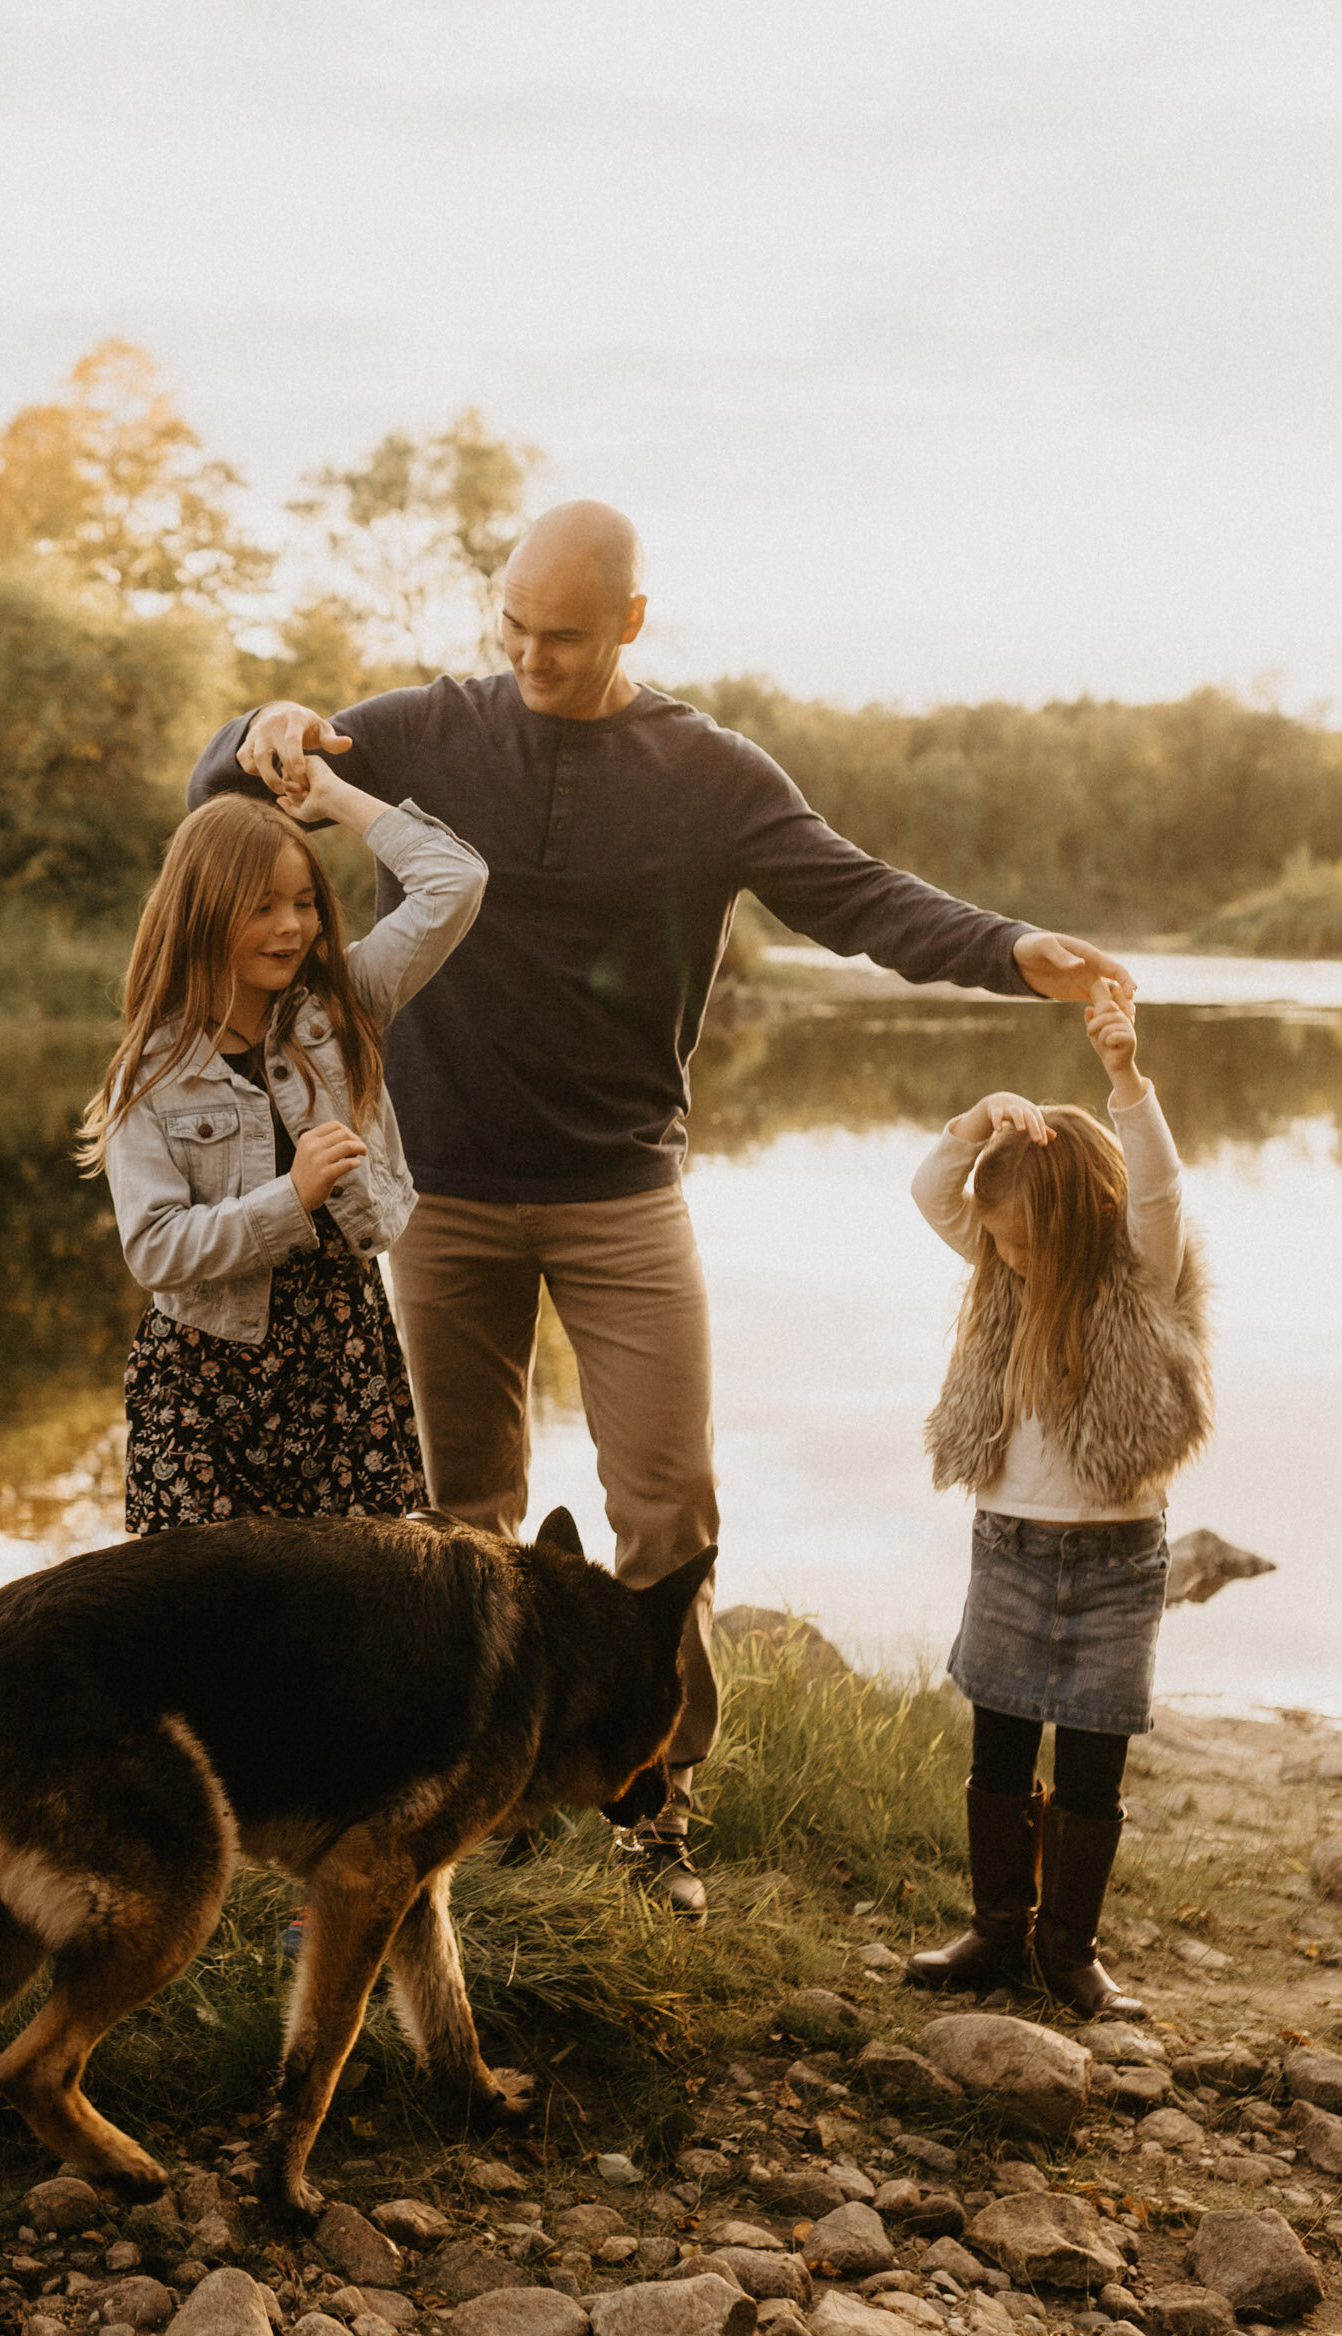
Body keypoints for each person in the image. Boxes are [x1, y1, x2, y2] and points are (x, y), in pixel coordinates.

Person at [190, 499, 1135, 1919]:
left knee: (669, 1505)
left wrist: (1013, 950)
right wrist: (256, 721)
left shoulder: (707, 772)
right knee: (459, 1516)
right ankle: (475, 1798)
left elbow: (858, 897)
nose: (528, 654)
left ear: (631, 622)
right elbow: (226, 798)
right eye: (509, 621)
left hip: (623, 1188)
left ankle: (654, 1796)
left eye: (561, 635)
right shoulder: (417, 731)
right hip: (433, 1186)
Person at [81, 751, 486, 1532]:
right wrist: (290, 1198)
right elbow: (155, 1250)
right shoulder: (151, 1074)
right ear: (203, 912)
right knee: (212, 1619)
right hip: (208, 1378)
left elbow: (455, 882)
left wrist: (334, 796)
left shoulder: (342, 1006)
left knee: (354, 1607)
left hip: (342, 1356)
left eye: (304, 902)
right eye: (263, 906)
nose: (293, 926)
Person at [905, 983, 1204, 2020]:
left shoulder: (1138, 1277)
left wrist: (1124, 1077)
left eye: (1029, 1247)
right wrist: (986, 1116)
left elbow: (1159, 1187)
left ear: (1080, 1227)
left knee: (1091, 1757)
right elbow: (934, 1192)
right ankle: (997, 1928)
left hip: (1119, 1559)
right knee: (998, 1742)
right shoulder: (998, 1271)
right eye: (1001, 1247)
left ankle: (1069, 1951)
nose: (1012, 1262)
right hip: (1011, 1546)